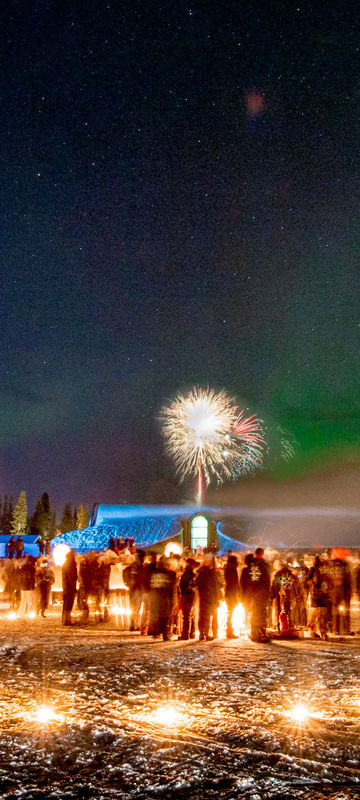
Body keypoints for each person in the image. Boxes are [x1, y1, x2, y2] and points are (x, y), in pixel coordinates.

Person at [245, 547, 271, 643]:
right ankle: (261, 634)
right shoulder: (265, 565)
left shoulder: (249, 565)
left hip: (251, 593)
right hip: (261, 593)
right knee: (261, 614)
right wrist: (268, 592)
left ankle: (254, 633)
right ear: (263, 554)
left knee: (254, 613)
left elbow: (245, 581)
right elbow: (267, 580)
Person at [149, 555, 176, 640]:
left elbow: (150, 584)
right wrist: (173, 600)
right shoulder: (171, 574)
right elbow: (171, 588)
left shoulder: (153, 573)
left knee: (156, 616)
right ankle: (165, 634)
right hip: (165, 598)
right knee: (165, 617)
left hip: (155, 597)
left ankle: (156, 632)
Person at [196, 553, 220, 641]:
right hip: (209, 597)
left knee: (204, 615)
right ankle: (205, 633)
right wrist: (217, 597)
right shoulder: (209, 572)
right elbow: (215, 586)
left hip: (206, 596)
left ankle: (203, 633)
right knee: (206, 615)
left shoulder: (203, 572)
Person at [179, 558, 198, 640]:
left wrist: (183, 593)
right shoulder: (193, 574)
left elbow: (184, 585)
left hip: (187, 595)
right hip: (192, 595)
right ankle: (191, 633)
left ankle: (185, 634)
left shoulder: (187, 574)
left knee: (186, 616)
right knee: (191, 615)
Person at [224, 554, 239, 639]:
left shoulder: (230, 568)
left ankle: (229, 630)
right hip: (231, 593)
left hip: (230, 592)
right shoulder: (231, 569)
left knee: (230, 613)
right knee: (230, 613)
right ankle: (229, 631)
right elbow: (233, 582)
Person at [62, 549, 77, 626]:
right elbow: (71, 576)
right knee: (69, 604)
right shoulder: (71, 564)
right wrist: (73, 587)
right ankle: (67, 620)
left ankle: (65, 619)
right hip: (69, 587)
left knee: (66, 604)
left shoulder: (66, 563)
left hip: (66, 587)